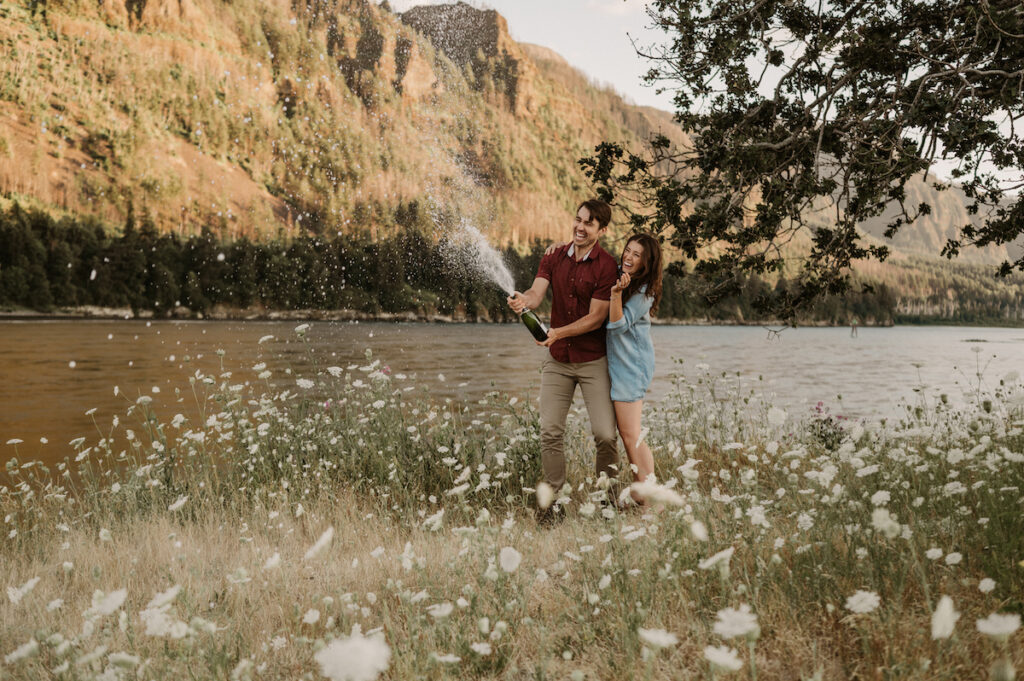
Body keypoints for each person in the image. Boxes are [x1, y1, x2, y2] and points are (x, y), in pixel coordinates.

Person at [507, 199, 619, 523]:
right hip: (558, 361)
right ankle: (553, 507)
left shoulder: (606, 266)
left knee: (605, 435)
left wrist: (555, 333)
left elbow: (596, 318)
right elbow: (536, 293)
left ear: (602, 230)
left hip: (592, 359)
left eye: (589, 223)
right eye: (578, 219)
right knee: (550, 432)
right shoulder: (554, 255)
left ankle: (607, 502)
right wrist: (522, 301)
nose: (580, 227)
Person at [606, 233, 662, 506]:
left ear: (646, 263)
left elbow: (617, 325)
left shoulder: (643, 292)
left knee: (631, 435)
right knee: (629, 435)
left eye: (636, 255)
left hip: (631, 369)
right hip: (620, 368)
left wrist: (615, 294)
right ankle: (642, 493)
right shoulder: (623, 276)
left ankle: (650, 500)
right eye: (627, 251)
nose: (628, 257)